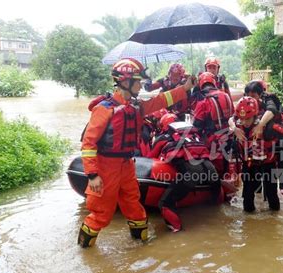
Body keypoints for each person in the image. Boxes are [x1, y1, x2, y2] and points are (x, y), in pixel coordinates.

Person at [78, 58, 194, 248]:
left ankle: (141, 248)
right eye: (138, 81)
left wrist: (185, 88)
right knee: (101, 213)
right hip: (106, 166)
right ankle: (84, 252)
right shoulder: (104, 109)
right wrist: (92, 175)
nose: (141, 85)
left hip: (126, 164)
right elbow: (88, 144)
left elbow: (161, 101)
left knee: (134, 206)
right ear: (125, 81)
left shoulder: (136, 107)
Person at [148, 113, 220, 232]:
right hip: (211, 172)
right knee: (214, 206)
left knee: (164, 204)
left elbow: (149, 158)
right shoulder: (195, 135)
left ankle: (177, 232)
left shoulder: (163, 137)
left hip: (191, 174)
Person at [230, 80, 283, 196]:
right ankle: (257, 190)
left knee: (281, 156)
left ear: (260, 94)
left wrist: (260, 125)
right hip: (256, 149)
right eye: (248, 95)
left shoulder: (268, 100)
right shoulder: (245, 104)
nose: (250, 98)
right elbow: (233, 117)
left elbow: (274, 112)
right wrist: (235, 129)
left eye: (253, 96)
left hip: (273, 138)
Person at [232, 96, 279, 212]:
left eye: (247, 119)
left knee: (271, 194)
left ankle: (274, 219)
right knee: (247, 195)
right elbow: (231, 119)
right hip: (249, 164)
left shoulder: (268, 127)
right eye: (241, 119)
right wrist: (234, 129)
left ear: (255, 116)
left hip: (269, 163)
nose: (244, 122)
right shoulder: (238, 125)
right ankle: (248, 223)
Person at [193, 72, 234, 176]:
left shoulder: (203, 101)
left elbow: (196, 127)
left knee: (214, 171)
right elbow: (233, 114)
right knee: (226, 165)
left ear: (201, 83)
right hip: (229, 137)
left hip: (213, 141)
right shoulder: (226, 96)